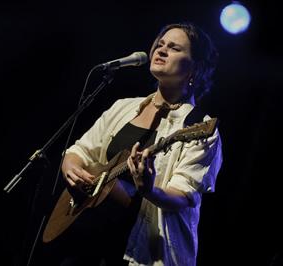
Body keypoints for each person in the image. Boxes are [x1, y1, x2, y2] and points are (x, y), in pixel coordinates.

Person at [58, 22, 223, 266]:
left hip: (144, 253)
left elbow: (184, 195)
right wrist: (70, 166)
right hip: (90, 240)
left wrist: (149, 189)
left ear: (195, 69)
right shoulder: (123, 107)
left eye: (175, 48)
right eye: (160, 44)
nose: (162, 49)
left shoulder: (200, 127)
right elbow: (80, 150)